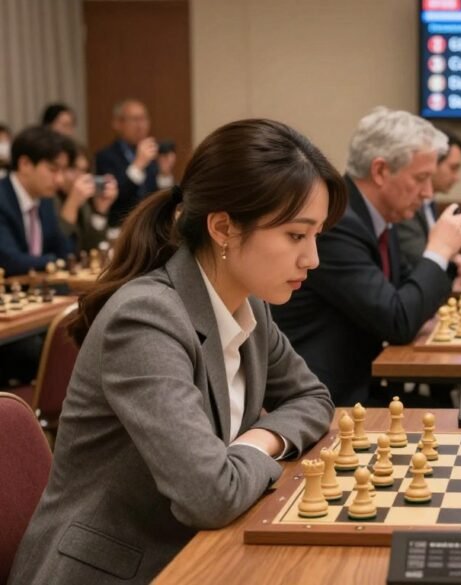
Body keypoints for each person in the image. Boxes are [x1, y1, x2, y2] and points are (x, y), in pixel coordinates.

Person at [8, 119, 345, 585]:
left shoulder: (249, 307)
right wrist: (248, 457)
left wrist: (254, 442)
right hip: (118, 568)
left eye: (317, 236)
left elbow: (314, 399)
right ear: (224, 227)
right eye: (295, 235)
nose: (313, 259)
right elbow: (208, 494)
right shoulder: (146, 318)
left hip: (199, 550)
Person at [272, 108, 461, 406]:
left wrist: (443, 266)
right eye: (421, 178)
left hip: (361, 382)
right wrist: (439, 250)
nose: (428, 193)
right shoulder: (335, 222)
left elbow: (406, 291)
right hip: (322, 398)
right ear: (380, 171)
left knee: (446, 410)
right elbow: (399, 320)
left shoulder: (377, 218)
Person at [395, 126, 461, 275]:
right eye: (453, 168)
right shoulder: (406, 202)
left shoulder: (430, 203)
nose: (457, 178)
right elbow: (418, 256)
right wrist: (451, 261)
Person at [0, 126, 73, 275]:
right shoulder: (2, 198)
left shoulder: (45, 200)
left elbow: (64, 251)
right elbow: (11, 260)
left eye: (63, 171)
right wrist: (54, 261)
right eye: (53, 169)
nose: (60, 180)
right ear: (25, 164)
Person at [94, 98, 176, 225]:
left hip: (150, 225)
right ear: (117, 124)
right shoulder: (105, 157)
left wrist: (164, 174)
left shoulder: (152, 153)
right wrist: (138, 165)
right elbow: (113, 199)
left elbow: (162, 199)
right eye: (135, 119)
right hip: (120, 227)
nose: (140, 125)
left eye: (144, 119)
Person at [56, 139, 118, 252]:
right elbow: (62, 249)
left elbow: (92, 247)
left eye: (84, 170)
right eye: (73, 169)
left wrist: (100, 211)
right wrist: (72, 203)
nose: (81, 177)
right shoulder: (49, 200)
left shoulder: (84, 204)